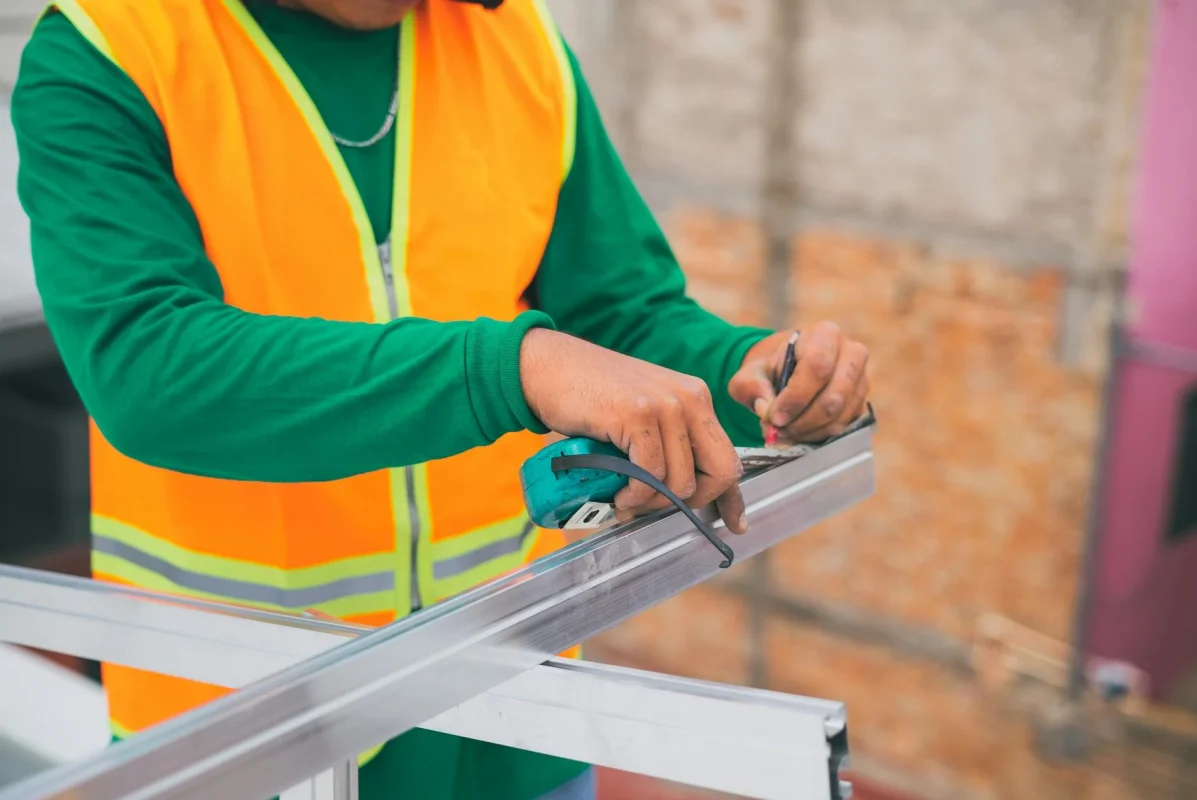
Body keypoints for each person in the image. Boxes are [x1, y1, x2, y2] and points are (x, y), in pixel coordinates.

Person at [11, 0, 871, 798]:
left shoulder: (514, 41)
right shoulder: (109, 45)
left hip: (515, 692)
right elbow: (152, 372)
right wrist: (515, 368)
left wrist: (745, 369)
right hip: (247, 719)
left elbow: (621, 310)